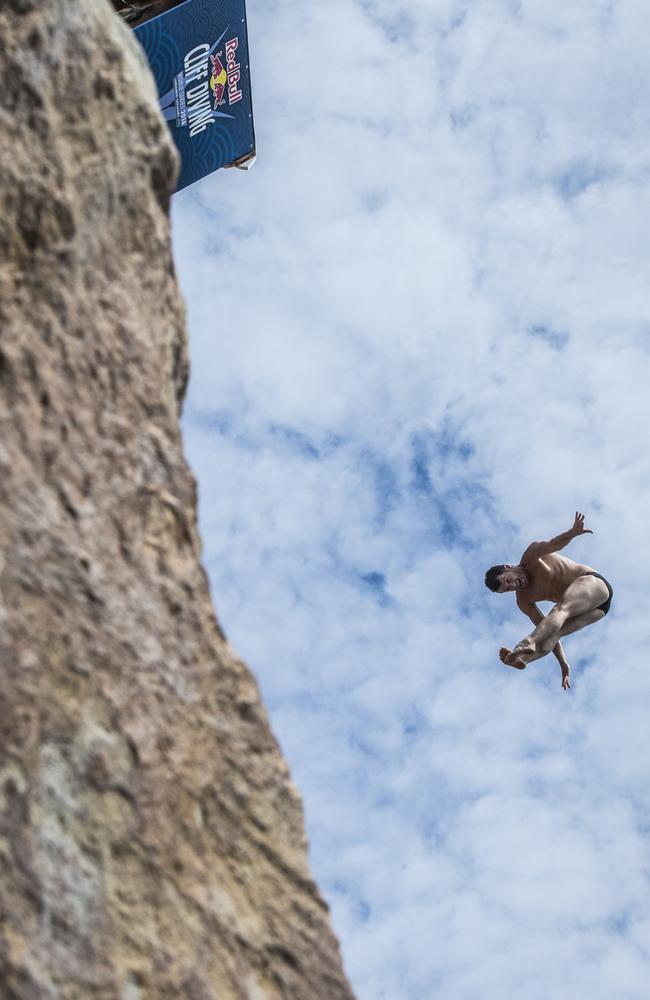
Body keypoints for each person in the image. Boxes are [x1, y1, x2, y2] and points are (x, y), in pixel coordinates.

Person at [484, 512, 612, 689]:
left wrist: (572, 533)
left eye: (508, 581)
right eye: (508, 589)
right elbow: (546, 628)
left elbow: (553, 544)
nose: (513, 586)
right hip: (600, 610)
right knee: (553, 633)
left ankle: (525, 643)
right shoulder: (524, 599)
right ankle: (521, 658)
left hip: (593, 583)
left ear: (508, 567)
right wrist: (563, 664)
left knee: (561, 609)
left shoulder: (530, 557)